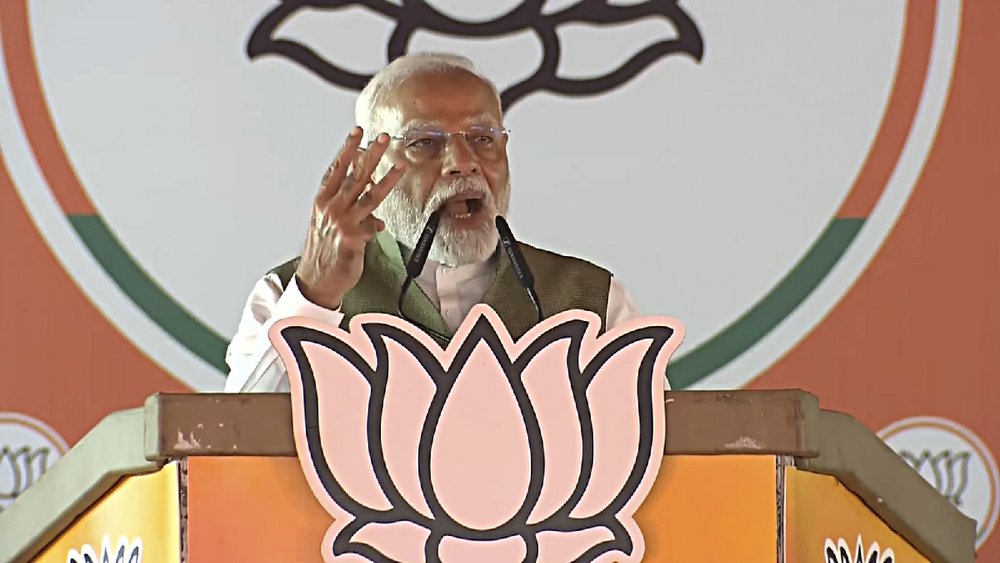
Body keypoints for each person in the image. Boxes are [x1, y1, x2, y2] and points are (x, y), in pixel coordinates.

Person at [224, 52, 652, 393]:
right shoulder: (285, 294)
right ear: (369, 168)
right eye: (424, 143)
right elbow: (232, 444)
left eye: (483, 139)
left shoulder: (593, 299)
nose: (463, 163)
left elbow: (665, 448)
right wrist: (314, 298)